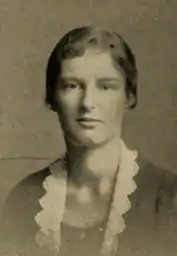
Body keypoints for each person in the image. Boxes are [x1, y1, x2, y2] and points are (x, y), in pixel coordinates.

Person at [0, 26, 177, 256]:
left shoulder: (168, 199)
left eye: (106, 86)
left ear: (129, 96)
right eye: (72, 86)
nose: (87, 102)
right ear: (51, 97)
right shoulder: (24, 201)